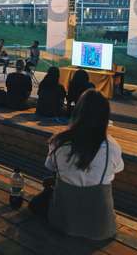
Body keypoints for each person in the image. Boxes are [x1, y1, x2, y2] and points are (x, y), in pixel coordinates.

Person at [43, 89, 124, 240]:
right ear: (105, 117)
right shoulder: (112, 146)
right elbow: (118, 168)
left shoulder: (58, 142)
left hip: (62, 222)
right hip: (100, 228)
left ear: (77, 112)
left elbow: (50, 166)